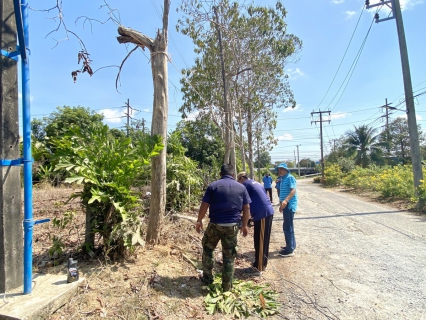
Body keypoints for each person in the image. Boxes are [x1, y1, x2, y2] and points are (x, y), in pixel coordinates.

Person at [195, 164, 251, 292]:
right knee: (229, 256)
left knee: (208, 249)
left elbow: (204, 205)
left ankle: (208, 279)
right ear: (233, 175)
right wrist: (244, 225)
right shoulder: (241, 187)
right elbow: (246, 208)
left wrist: (199, 221)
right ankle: (226, 287)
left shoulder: (213, 186)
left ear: (220, 174)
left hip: (215, 225)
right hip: (232, 226)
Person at [237, 172, 274, 276]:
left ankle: (258, 268)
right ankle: (262, 264)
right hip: (265, 213)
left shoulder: (245, 185)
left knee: (261, 241)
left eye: (238, 180)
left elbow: (243, 204)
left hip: (262, 214)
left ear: (241, 178)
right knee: (260, 240)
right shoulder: (256, 183)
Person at [277, 163, 298, 257]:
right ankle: (291, 246)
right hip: (285, 205)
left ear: (285, 169)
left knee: (287, 227)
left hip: (289, 205)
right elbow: (282, 193)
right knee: (289, 226)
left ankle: (290, 250)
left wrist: (286, 201)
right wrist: (281, 204)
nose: (279, 171)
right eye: (278, 169)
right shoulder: (283, 179)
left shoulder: (290, 178)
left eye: (281, 169)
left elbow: (293, 190)